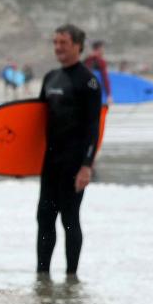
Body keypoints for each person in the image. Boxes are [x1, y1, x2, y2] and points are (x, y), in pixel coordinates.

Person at [36, 24, 102, 278]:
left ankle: (71, 277)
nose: (58, 48)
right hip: (50, 162)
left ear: (77, 45)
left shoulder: (88, 81)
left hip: (74, 164)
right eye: (55, 43)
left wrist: (86, 166)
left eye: (63, 42)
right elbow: (36, 122)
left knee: (70, 219)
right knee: (44, 219)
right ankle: (42, 277)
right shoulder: (50, 78)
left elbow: (93, 126)